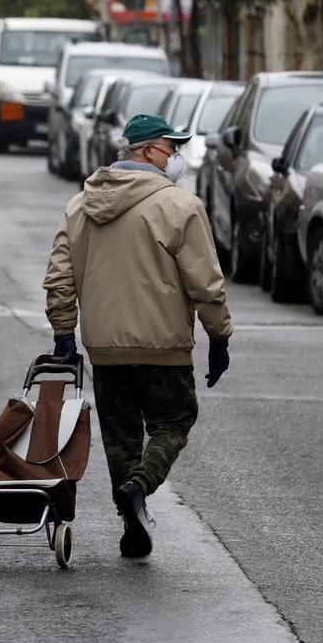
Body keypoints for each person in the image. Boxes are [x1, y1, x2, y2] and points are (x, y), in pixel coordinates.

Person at [42, 113, 232, 558]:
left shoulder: (81, 205)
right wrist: (219, 335)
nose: (176, 158)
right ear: (147, 150)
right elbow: (205, 283)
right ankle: (139, 485)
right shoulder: (180, 206)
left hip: (105, 347)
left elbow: (59, 278)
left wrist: (64, 333)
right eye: (171, 148)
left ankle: (132, 523)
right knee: (174, 421)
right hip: (163, 345)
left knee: (121, 437)